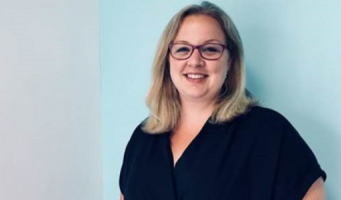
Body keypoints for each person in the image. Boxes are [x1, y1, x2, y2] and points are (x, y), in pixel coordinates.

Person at [119, 1, 327, 200]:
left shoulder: (268, 132)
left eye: (210, 49)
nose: (195, 61)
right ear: (167, 60)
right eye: (182, 49)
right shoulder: (142, 139)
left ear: (230, 61)